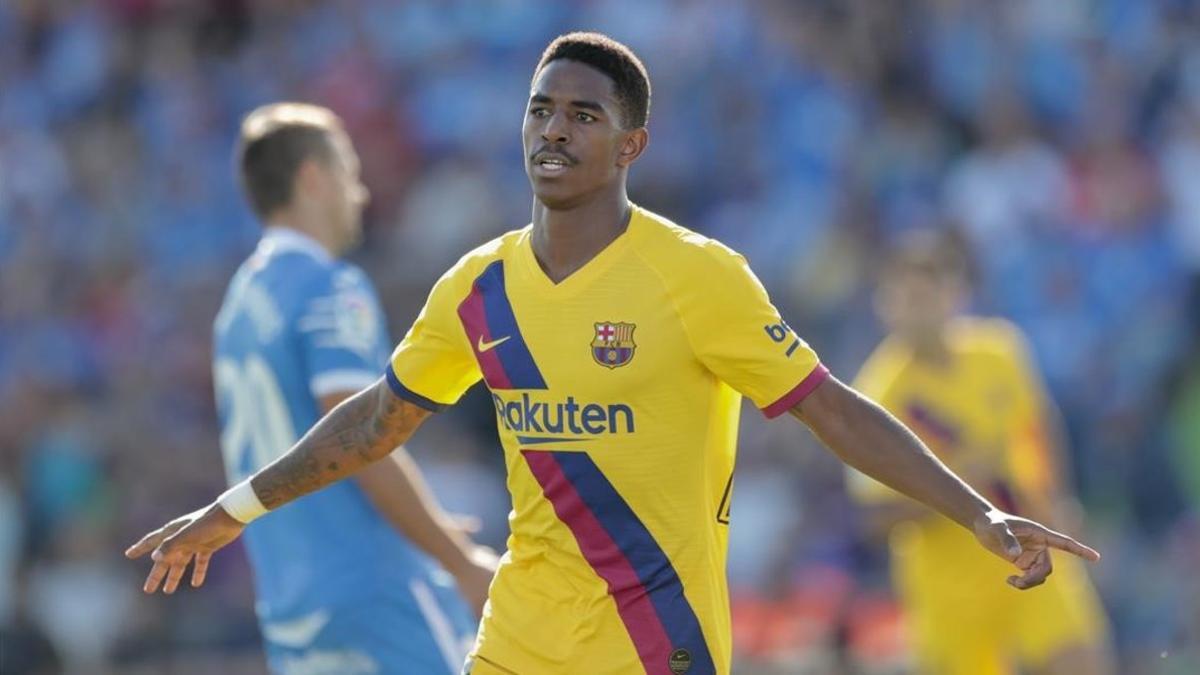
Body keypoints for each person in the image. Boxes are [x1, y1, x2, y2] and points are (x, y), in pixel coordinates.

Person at [127, 35, 1100, 675]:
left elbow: (831, 408)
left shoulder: (697, 275)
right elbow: (378, 421)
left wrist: (978, 512)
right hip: (519, 639)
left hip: (657, 644)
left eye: (583, 116)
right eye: (542, 110)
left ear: (631, 144)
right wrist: (233, 508)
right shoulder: (479, 286)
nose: (554, 129)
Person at [197, 102, 493, 675]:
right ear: (313, 178)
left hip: (291, 601)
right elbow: (361, 438)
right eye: (349, 173)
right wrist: (458, 562)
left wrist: (425, 520)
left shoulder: (237, 305)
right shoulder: (330, 285)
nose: (358, 193)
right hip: (372, 587)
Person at [846, 232, 1114, 675]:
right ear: (885, 304)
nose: (919, 310)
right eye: (907, 297)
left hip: (1031, 545)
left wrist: (1059, 498)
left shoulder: (999, 351)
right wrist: (952, 484)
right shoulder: (877, 397)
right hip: (950, 588)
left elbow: (1041, 424)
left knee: (1081, 661)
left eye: (927, 295)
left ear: (955, 294)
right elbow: (873, 519)